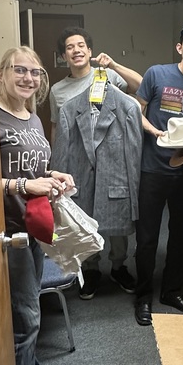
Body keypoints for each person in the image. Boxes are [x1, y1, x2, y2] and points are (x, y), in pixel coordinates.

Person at [0, 46, 75, 365]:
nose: (28, 78)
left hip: (31, 229)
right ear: (2, 73)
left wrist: (55, 176)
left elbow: (36, 167)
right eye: (20, 70)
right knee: (24, 318)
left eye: (36, 73)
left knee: (29, 314)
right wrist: (23, 184)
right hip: (6, 234)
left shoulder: (32, 118)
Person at [49, 28, 142, 300]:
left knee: (118, 213)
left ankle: (118, 265)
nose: (76, 50)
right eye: (70, 47)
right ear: (63, 55)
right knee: (83, 215)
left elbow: (139, 87)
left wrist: (112, 63)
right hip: (80, 160)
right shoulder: (58, 91)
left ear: (89, 51)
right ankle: (90, 269)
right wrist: (58, 166)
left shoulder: (107, 76)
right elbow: (58, 128)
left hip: (113, 157)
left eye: (81, 45)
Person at [133, 19, 183, 326]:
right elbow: (135, 110)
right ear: (179, 47)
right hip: (152, 168)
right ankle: (143, 297)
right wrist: (155, 132)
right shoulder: (156, 73)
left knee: (181, 235)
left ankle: (171, 291)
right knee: (148, 238)